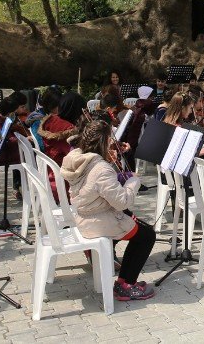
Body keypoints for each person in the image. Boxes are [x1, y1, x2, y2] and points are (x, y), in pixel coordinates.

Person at [60, 118, 158, 301]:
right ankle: (125, 285)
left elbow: (98, 188)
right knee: (146, 235)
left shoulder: (78, 158)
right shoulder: (100, 168)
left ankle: (121, 277)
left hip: (85, 215)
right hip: (98, 221)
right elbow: (122, 202)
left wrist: (117, 174)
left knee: (137, 226)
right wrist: (133, 182)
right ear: (103, 141)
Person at [0, 91, 28, 201]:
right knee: (26, 156)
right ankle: (23, 187)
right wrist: (21, 139)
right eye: (14, 112)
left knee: (26, 153)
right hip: (1, 154)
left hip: (8, 151)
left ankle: (24, 186)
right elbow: (1, 138)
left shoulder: (5, 119)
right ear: (9, 112)